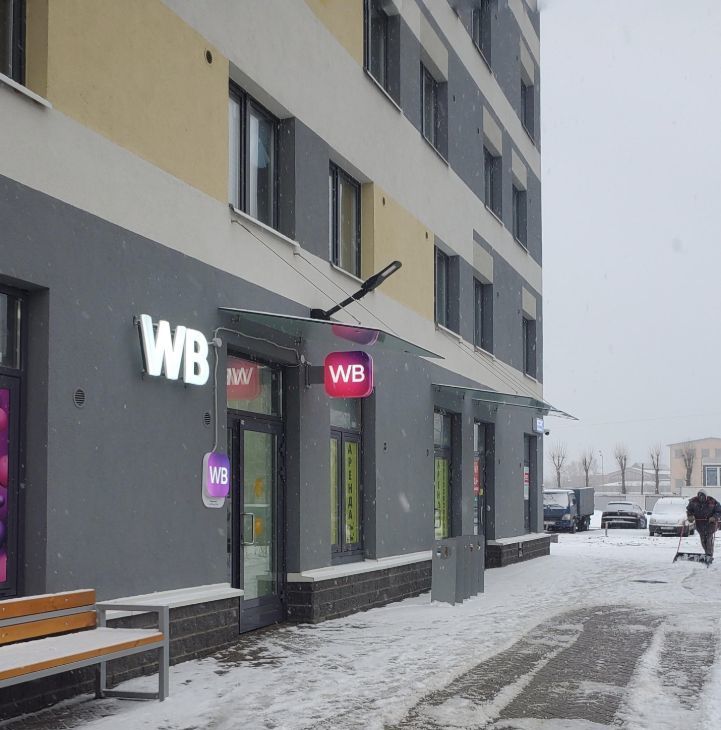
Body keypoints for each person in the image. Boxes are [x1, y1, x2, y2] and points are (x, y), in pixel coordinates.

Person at [686, 490, 721, 557]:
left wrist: (714, 517)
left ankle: (709, 555)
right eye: (700, 496)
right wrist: (690, 516)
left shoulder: (712, 501)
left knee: (708, 540)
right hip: (700, 525)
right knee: (703, 541)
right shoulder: (693, 501)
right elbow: (689, 510)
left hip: (710, 524)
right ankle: (707, 553)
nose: (701, 498)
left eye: (703, 496)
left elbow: (719, 511)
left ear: (706, 496)